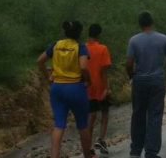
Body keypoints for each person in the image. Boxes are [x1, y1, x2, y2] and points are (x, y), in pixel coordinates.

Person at [125, 11, 166, 158]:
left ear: (140, 24)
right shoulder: (163, 39)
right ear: (152, 22)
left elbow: (129, 63)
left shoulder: (134, 40)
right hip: (157, 81)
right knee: (155, 115)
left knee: (138, 115)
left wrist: (131, 76)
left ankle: (135, 151)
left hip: (139, 81)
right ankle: (151, 152)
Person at [37, 21, 92, 158]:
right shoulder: (80, 47)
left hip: (57, 88)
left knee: (59, 124)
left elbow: (40, 61)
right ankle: (87, 155)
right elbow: (84, 67)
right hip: (75, 88)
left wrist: (48, 76)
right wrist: (88, 80)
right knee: (83, 125)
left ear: (65, 31)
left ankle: (54, 156)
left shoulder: (56, 45)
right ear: (79, 33)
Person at [86, 24, 112, 156]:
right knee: (105, 113)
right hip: (100, 87)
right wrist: (107, 88)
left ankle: (88, 146)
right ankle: (101, 139)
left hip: (87, 88)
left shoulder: (83, 48)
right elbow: (104, 71)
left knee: (91, 116)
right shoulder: (103, 48)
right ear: (99, 35)